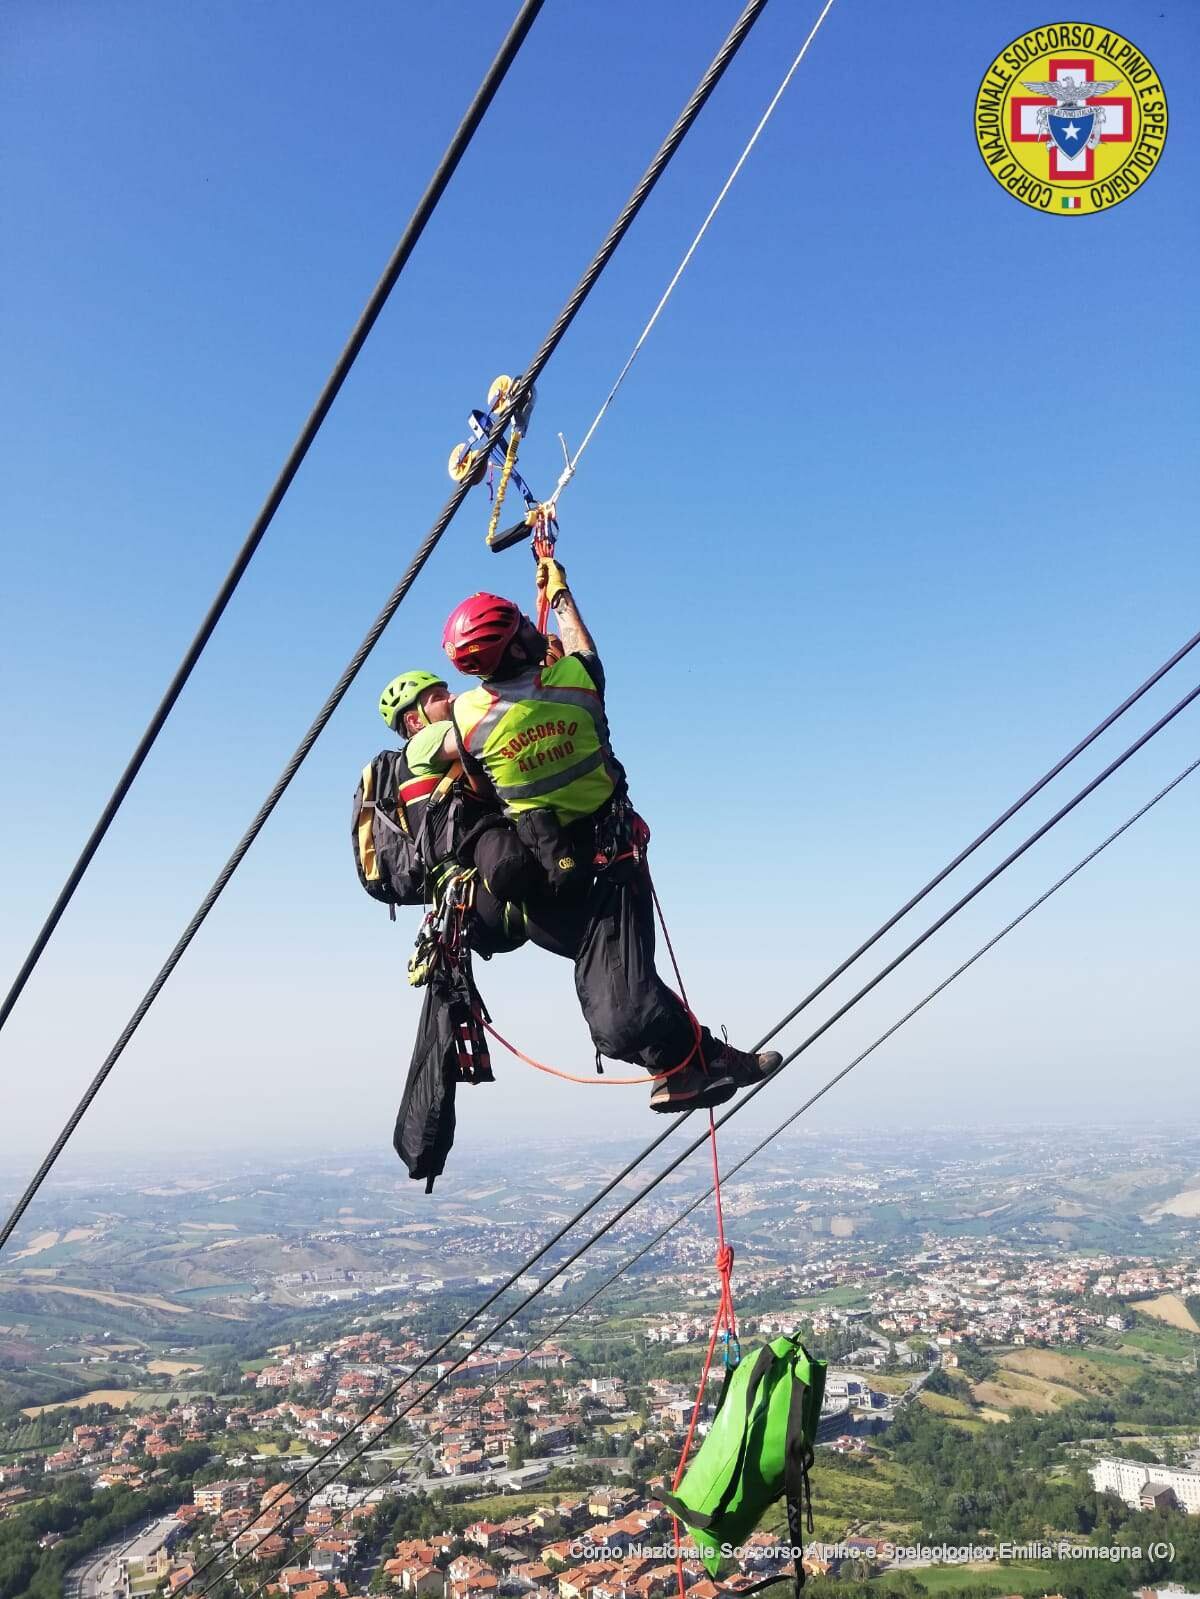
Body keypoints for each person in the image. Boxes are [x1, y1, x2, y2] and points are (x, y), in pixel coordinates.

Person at [440, 564, 782, 1113]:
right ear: (514, 646)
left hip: (551, 866)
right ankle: (694, 1064)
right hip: (605, 854)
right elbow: (583, 648)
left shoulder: (465, 717)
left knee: (620, 987)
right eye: (522, 626)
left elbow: (480, 783)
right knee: (625, 997)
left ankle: (689, 1066)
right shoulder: (574, 683)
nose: (533, 624)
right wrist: (560, 592)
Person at [377, 669, 525, 957]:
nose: (452, 698)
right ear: (415, 720)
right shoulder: (425, 741)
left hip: (472, 904)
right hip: (480, 890)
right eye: (439, 697)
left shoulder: (442, 760)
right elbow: (485, 731)